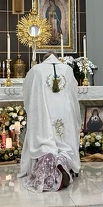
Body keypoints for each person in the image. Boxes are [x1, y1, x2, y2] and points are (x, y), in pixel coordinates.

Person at [19, 52, 81, 192]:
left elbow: (27, 92)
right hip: (65, 112)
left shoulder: (36, 70)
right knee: (65, 143)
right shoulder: (67, 69)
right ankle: (64, 161)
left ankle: (48, 160)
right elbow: (73, 94)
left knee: (45, 143)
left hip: (43, 113)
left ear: (43, 59)